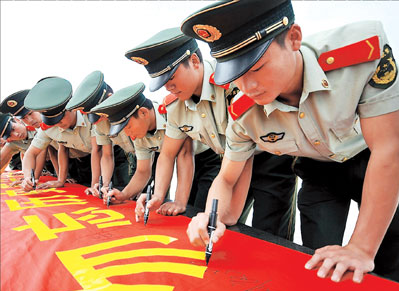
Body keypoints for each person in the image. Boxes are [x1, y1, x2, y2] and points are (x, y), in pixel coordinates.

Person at [182, 0, 399, 284]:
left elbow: (389, 150)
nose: (248, 87)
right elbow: (228, 178)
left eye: (256, 68)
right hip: (318, 172)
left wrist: (361, 248)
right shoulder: (243, 111)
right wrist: (211, 216)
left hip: (374, 158)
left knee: (391, 253)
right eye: (236, 76)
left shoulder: (359, 54)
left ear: (293, 38)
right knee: (319, 259)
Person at [125, 27, 297, 239]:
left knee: (269, 235)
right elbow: (168, 153)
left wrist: (229, 213)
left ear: (195, 62)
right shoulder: (175, 106)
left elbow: (246, 146)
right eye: (162, 81)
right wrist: (158, 195)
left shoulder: (233, 80)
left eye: (171, 76)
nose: (168, 87)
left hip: (270, 158)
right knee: (223, 232)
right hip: (230, 165)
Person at [91, 82, 194, 209]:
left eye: (128, 127)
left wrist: (178, 201)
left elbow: (185, 154)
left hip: (204, 160)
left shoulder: (170, 113)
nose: (128, 133)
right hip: (173, 163)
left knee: (199, 210)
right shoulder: (139, 134)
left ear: (143, 113)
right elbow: (143, 171)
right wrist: (123, 195)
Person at [65, 70, 132, 196]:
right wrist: (104, 184)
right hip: (134, 156)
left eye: (100, 114)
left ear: (109, 98)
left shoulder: (133, 113)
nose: (99, 120)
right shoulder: (100, 122)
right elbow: (106, 155)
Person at [21, 77, 93, 191]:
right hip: (85, 161)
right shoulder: (48, 127)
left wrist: (95, 184)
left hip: (114, 155)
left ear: (72, 107)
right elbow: (31, 153)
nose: (58, 124)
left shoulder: (90, 116)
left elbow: (101, 151)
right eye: (52, 121)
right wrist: (28, 178)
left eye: (60, 118)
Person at [0, 90, 58, 176]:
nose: (16, 134)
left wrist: (32, 176)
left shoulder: (40, 126)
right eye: (9, 135)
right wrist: (26, 171)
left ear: (17, 120)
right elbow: (22, 153)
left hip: (69, 159)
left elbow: (53, 151)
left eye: (13, 128)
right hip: (50, 164)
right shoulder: (13, 142)